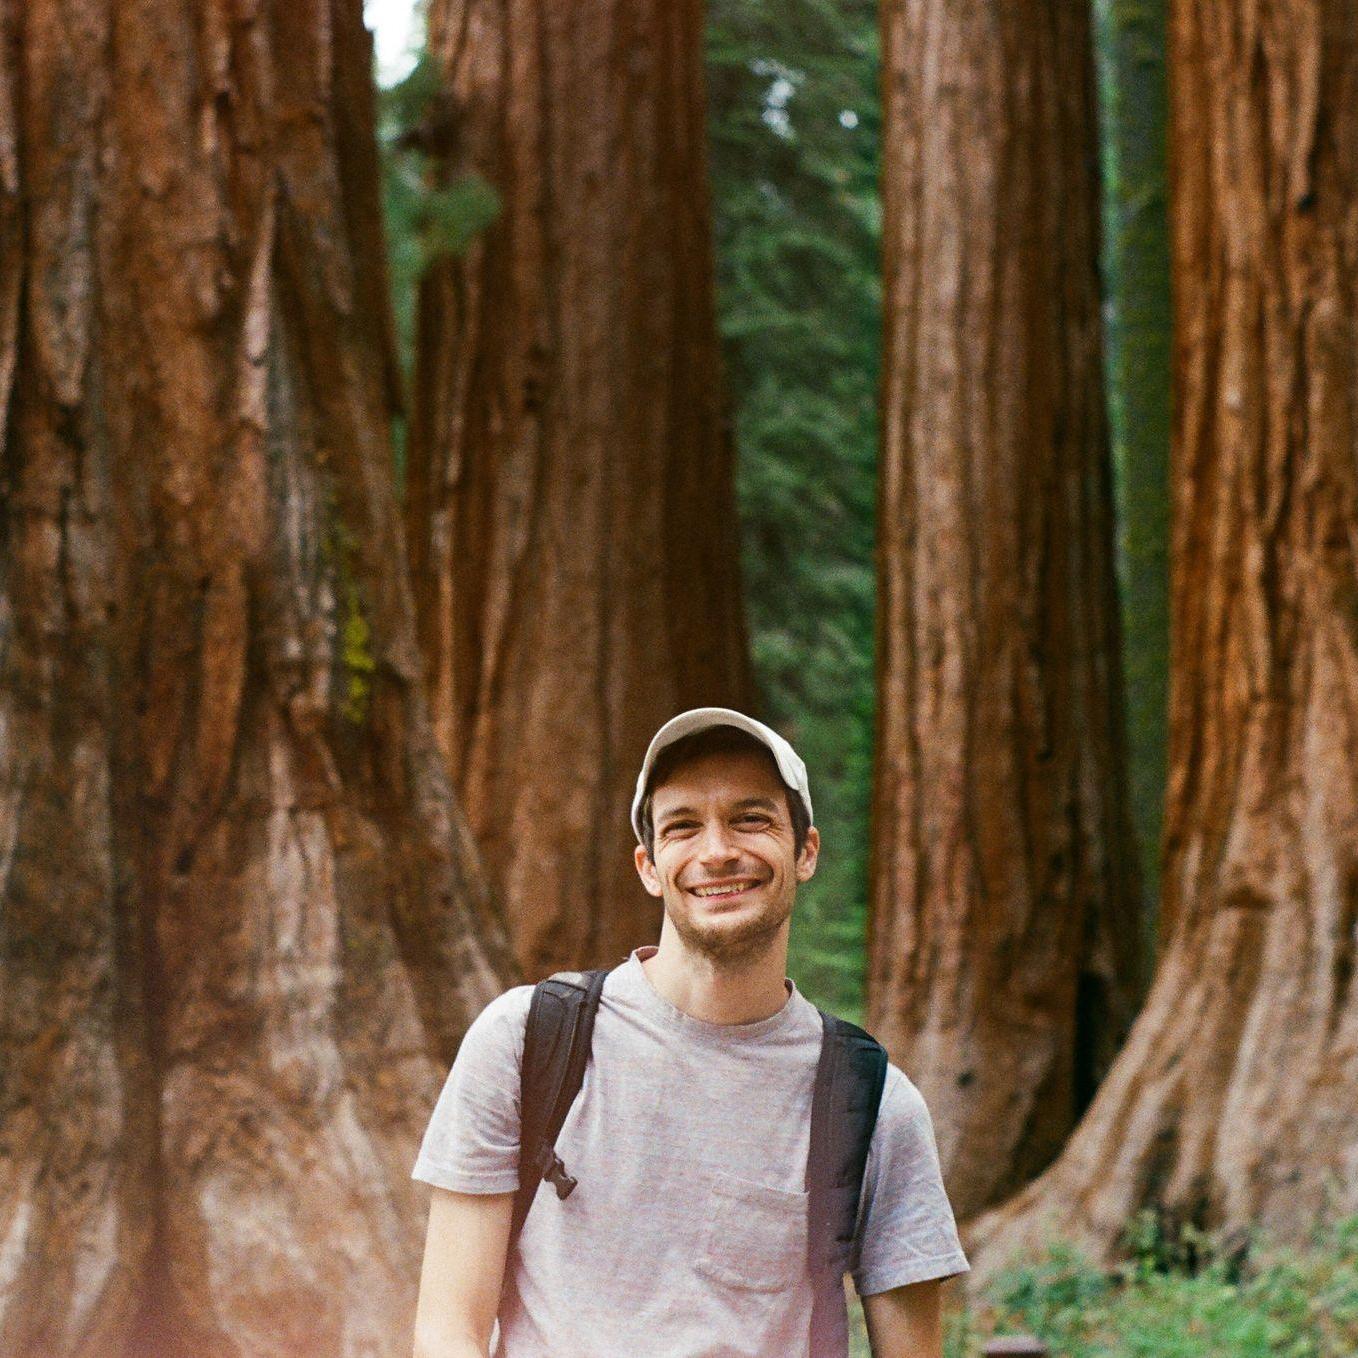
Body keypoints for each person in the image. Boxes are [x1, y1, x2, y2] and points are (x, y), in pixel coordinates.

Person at [411, 707, 968, 1358]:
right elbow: (448, 1330)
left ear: (806, 851)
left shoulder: (872, 1104)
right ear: (649, 866)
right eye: (683, 826)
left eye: (751, 819)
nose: (717, 851)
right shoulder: (525, 1040)